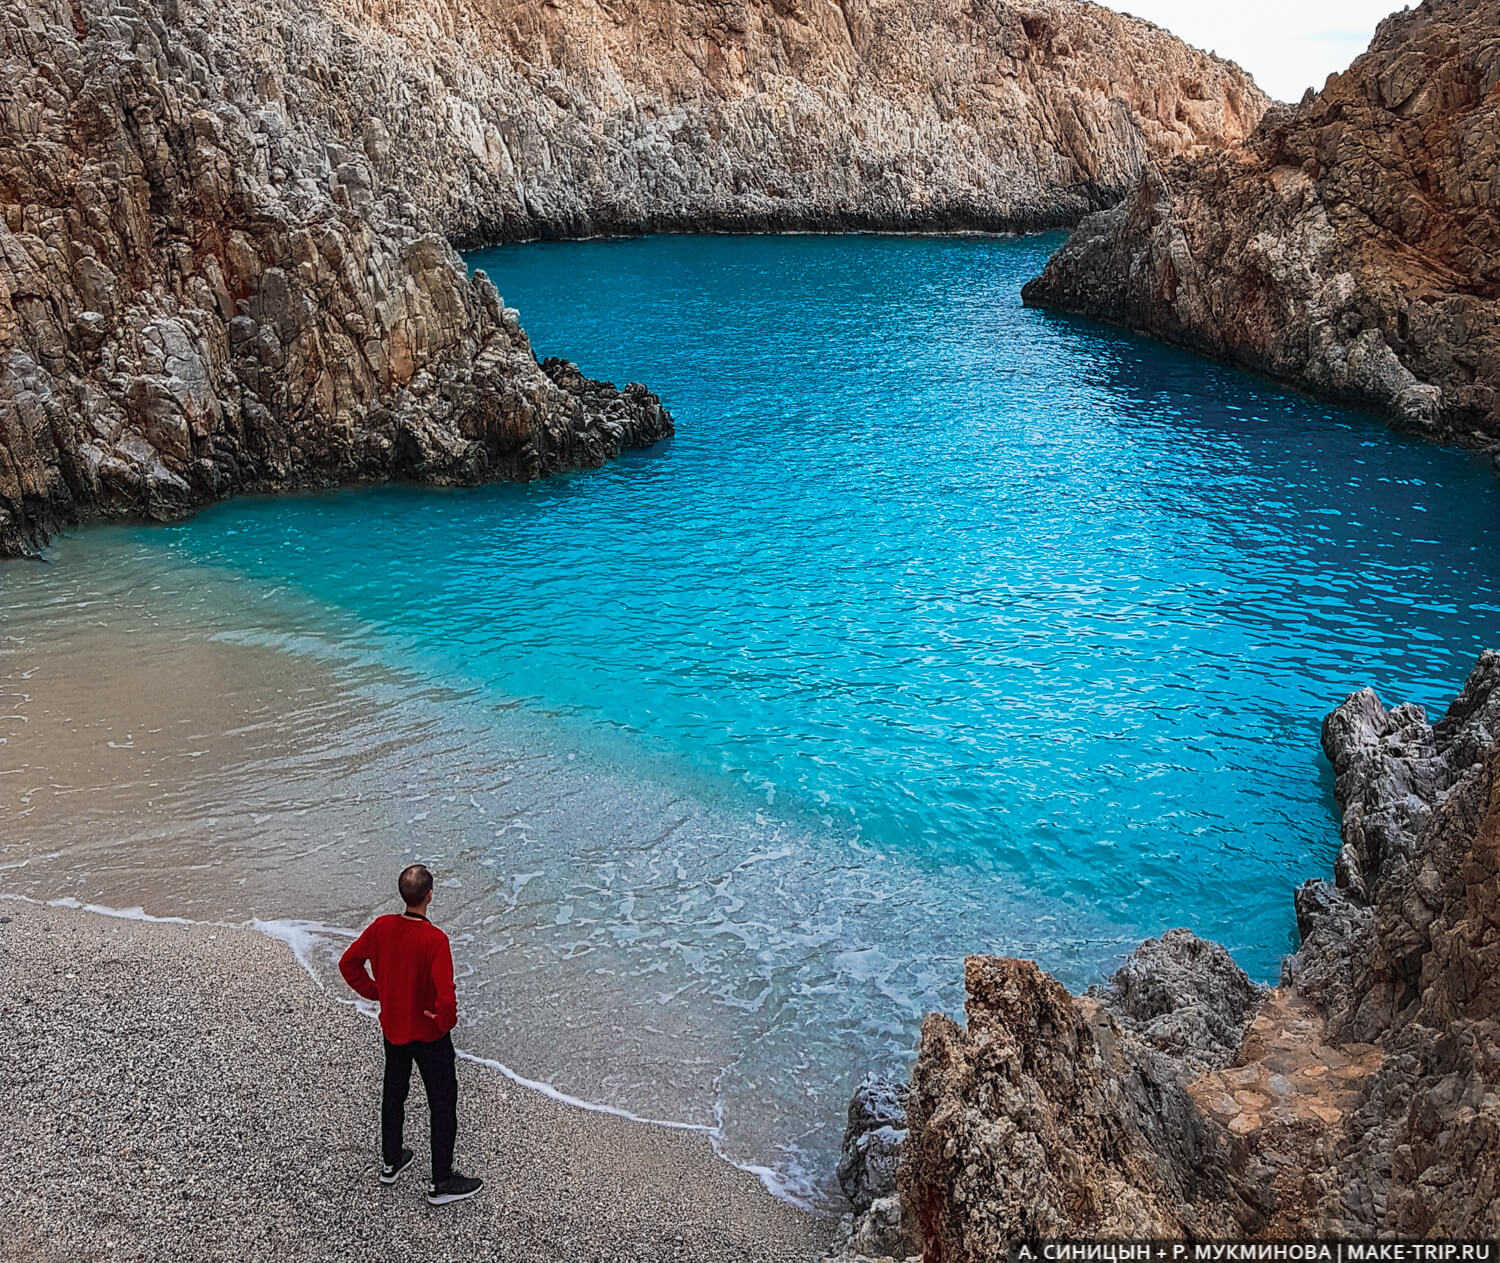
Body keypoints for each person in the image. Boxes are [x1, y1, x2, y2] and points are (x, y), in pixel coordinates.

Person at [339, 863, 484, 1205]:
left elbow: (349, 963)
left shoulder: (381, 927)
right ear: (430, 896)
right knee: (442, 1103)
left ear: (402, 894)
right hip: (429, 1034)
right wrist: (444, 1021)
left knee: (394, 1093)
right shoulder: (435, 940)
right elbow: (446, 996)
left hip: (394, 1029)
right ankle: (441, 1181)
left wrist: (378, 991)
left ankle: (391, 1161)